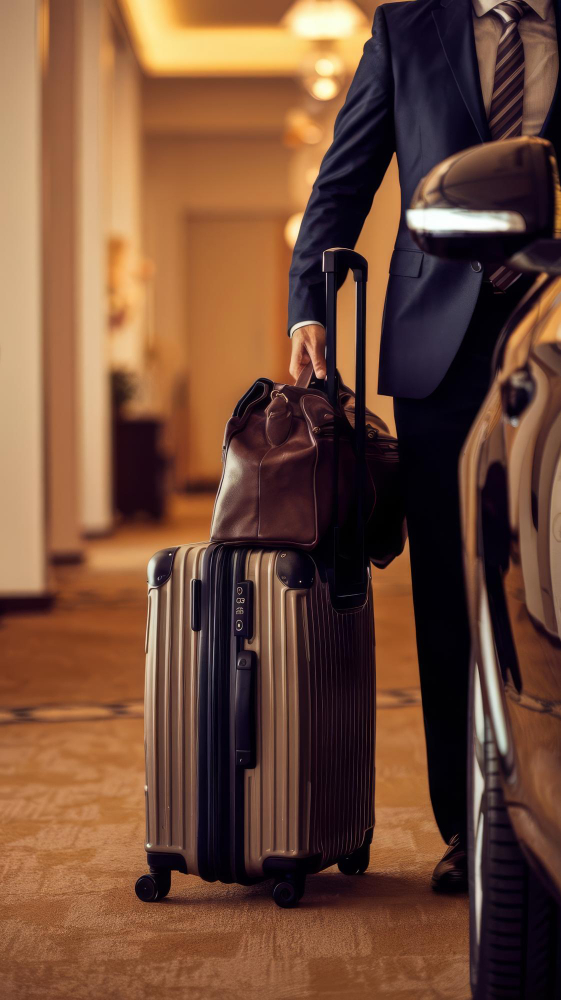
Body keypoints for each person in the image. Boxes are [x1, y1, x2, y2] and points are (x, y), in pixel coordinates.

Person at [288, 0, 560, 892]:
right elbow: (346, 176)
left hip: (556, 331)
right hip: (437, 348)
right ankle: (471, 826)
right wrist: (309, 304)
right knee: (452, 589)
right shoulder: (407, 29)